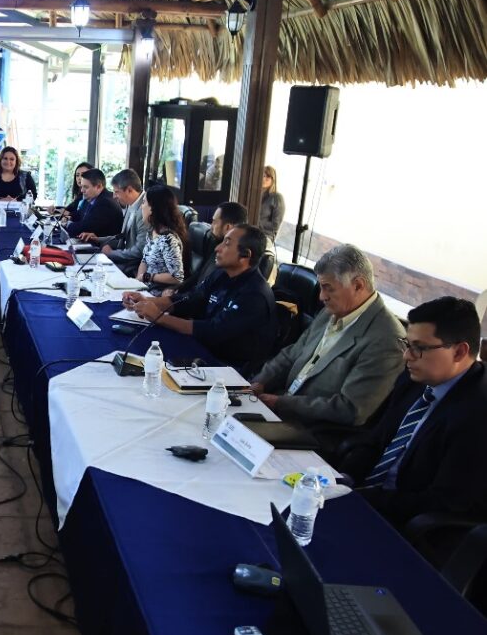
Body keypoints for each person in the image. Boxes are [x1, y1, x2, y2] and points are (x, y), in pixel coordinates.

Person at [343, 296, 487, 530]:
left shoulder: (477, 415)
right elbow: (376, 438)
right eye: (407, 344)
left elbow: (445, 501)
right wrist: (344, 477)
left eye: (420, 348)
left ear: (459, 352)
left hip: (405, 526)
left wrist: (363, 499)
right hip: (365, 498)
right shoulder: (414, 379)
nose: (407, 356)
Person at [250, 244, 404, 440]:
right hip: (280, 407)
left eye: (328, 288)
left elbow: (350, 409)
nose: (321, 296)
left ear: (358, 285)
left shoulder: (385, 340)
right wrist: (260, 382)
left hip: (312, 431)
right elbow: (292, 354)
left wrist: (280, 403)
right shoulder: (331, 311)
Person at [123, 224, 276, 373]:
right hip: (201, 348)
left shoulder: (255, 295)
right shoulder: (222, 274)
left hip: (226, 367)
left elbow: (213, 331)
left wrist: (159, 317)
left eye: (227, 244)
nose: (217, 248)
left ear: (245, 255)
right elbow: (190, 300)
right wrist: (147, 301)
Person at [175, 200, 247, 294]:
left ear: (228, 227)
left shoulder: (234, 259)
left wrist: (176, 299)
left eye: (214, 221)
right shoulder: (215, 243)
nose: (211, 226)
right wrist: (176, 290)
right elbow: (200, 274)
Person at [135, 186, 189, 295]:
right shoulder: (151, 232)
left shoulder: (168, 239)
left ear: (153, 208)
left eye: (144, 202)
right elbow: (144, 261)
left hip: (158, 293)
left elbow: (177, 277)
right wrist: (136, 284)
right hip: (145, 290)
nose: (141, 206)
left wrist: (148, 277)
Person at [99, 169, 149, 277]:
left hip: (135, 268)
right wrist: (98, 239)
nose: (114, 196)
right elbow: (122, 236)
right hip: (125, 263)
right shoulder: (131, 205)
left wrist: (111, 253)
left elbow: (140, 251)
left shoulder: (145, 209)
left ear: (129, 190)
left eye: (117, 192)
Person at [67, 168, 124, 239]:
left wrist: (67, 224)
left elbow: (84, 227)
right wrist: (69, 218)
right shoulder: (93, 198)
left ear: (99, 187)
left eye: (85, 187)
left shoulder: (105, 203)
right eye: (82, 186)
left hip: (105, 245)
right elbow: (81, 215)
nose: (82, 190)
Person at [260, 165, 285, 241]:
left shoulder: (277, 198)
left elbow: (275, 225)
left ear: (273, 180)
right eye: (263, 175)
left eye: (267, 176)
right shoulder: (255, 195)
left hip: (265, 236)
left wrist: (257, 222)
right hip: (250, 231)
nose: (264, 179)